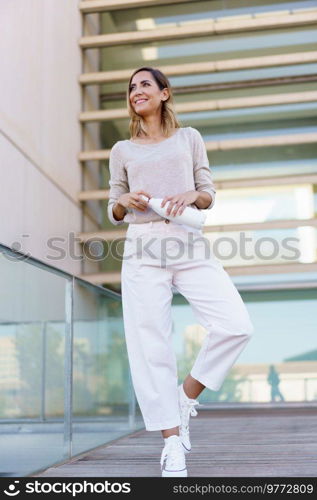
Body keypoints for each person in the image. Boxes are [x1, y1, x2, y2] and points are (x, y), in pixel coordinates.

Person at [107, 66, 254, 477]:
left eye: (145, 85)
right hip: (142, 248)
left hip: (190, 244)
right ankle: (172, 443)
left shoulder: (189, 138)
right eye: (131, 87)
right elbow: (113, 204)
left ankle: (185, 397)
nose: (136, 91)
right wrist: (126, 202)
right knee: (150, 345)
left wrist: (194, 194)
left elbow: (207, 191)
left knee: (236, 325)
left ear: (164, 93)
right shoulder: (122, 149)